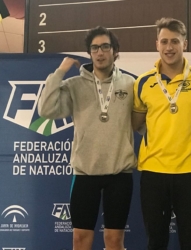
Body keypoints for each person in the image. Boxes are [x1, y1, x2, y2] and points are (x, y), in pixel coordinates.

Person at [38, 26, 136, 250]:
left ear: (115, 51)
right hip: (85, 173)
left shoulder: (130, 84)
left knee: (114, 240)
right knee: (80, 240)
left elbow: (142, 121)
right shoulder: (74, 85)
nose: (100, 52)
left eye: (105, 47)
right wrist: (59, 73)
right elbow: (45, 110)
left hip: (119, 173)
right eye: (94, 48)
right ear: (90, 53)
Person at [132, 17, 191, 250]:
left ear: (185, 44)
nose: (169, 47)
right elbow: (136, 123)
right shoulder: (142, 82)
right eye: (165, 41)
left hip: (190, 171)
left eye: (175, 41)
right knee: (156, 241)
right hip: (152, 171)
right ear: (156, 44)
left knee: (190, 241)